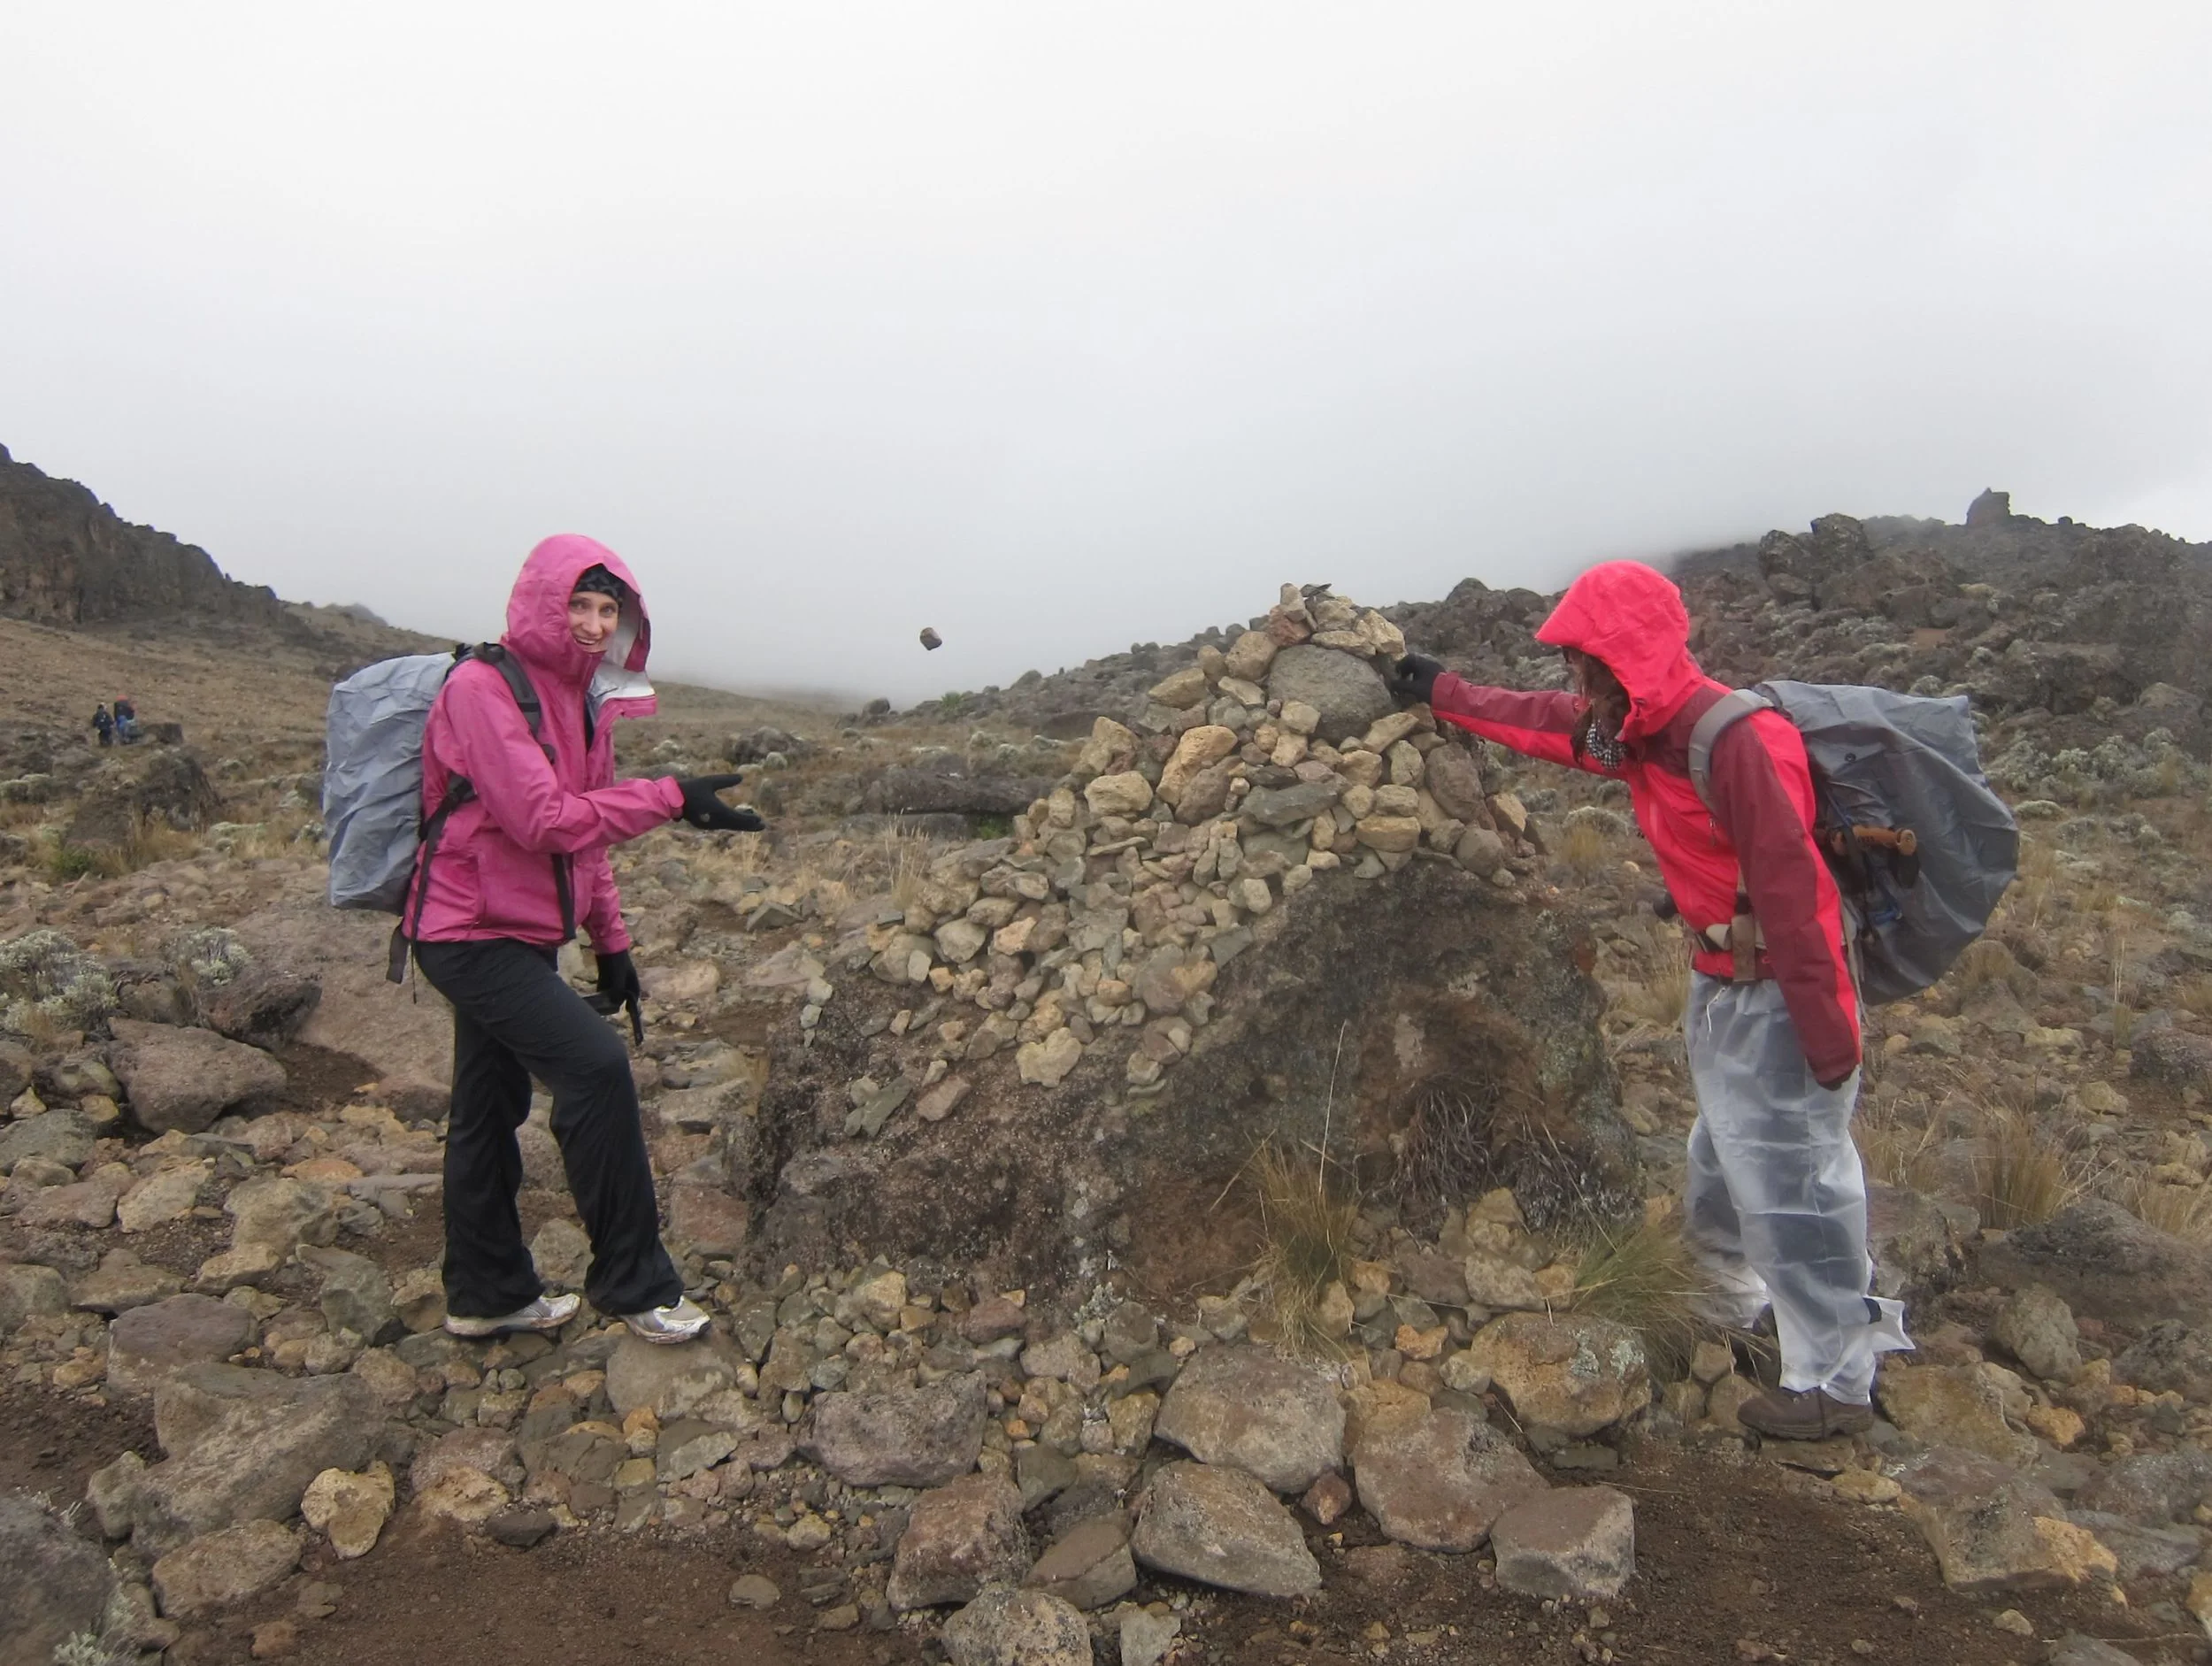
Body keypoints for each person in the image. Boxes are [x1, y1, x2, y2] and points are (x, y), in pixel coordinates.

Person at [1392, 559, 1909, 1440]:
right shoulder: (1632, 730)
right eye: (1575, 666)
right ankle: (1724, 1304)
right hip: (1721, 984)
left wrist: (1827, 1037)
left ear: (1626, 656)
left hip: (1781, 989)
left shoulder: (1734, 741)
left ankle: (1836, 1379)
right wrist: (1444, 689)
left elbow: (1796, 890)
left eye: (1588, 663)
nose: (1577, 682)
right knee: (1721, 1152)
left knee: (1795, 1175)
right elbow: (1546, 725)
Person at [405, 534, 764, 1345]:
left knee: (485, 1106)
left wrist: (613, 943)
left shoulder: (581, 702)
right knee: (596, 1069)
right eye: (582, 604)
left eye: (611, 609)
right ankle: (634, 1281)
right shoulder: (481, 688)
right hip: (465, 931)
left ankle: (485, 1290)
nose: (597, 623)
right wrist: (671, 798)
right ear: (543, 600)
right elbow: (541, 819)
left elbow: (585, 839)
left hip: (522, 931)